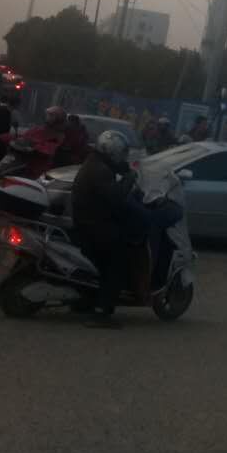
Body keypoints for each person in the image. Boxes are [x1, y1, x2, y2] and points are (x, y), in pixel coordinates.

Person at [71, 131, 136, 329]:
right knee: (118, 263)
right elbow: (116, 197)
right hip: (95, 226)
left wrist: (125, 169)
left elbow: (112, 177)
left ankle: (87, 299)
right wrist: (129, 178)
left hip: (87, 222)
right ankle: (102, 312)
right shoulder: (100, 170)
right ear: (113, 151)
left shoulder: (95, 162)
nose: (123, 157)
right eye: (122, 153)